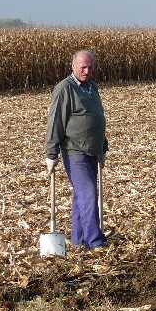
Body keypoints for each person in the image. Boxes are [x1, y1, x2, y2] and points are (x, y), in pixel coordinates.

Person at [45, 50, 108, 250]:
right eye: (83, 67)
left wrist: (102, 148)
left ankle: (78, 240)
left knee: (81, 196)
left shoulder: (92, 87)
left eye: (90, 67)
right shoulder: (65, 89)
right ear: (73, 66)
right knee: (88, 194)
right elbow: (55, 121)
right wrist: (51, 153)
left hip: (92, 149)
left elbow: (97, 117)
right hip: (75, 151)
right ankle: (95, 241)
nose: (87, 71)